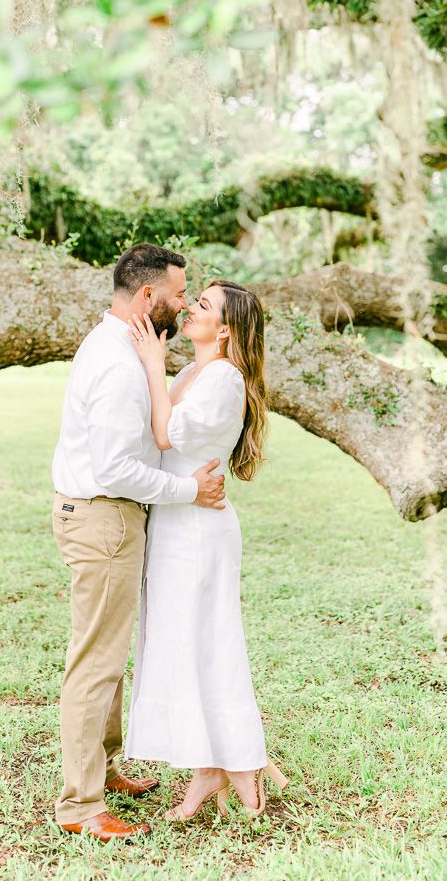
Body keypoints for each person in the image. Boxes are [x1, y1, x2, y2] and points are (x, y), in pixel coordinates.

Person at [50, 243, 227, 843]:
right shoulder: (117, 361)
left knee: (109, 656)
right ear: (148, 296)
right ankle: (80, 805)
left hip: (111, 518)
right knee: (95, 662)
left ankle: (106, 766)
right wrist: (187, 489)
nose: (184, 304)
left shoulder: (125, 347)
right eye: (179, 294)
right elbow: (116, 467)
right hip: (104, 517)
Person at [124, 279, 288, 820]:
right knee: (185, 645)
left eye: (204, 305)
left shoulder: (222, 377)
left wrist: (151, 359)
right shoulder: (196, 371)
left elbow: (166, 435)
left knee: (209, 642)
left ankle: (237, 759)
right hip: (177, 520)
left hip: (199, 530)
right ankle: (209, 766)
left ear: (224, 329)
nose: (190, 307)